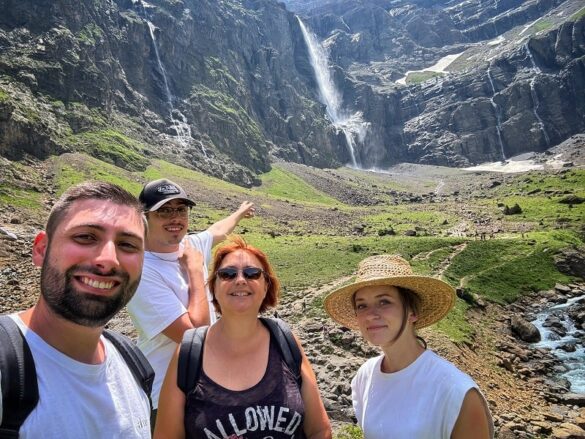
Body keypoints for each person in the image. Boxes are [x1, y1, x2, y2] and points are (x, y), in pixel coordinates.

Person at [1, 182, 151, 437]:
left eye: (127, 245)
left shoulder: (135, 365)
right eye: (86, 237)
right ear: (41, 249)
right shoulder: (6, 371)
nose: (108, 259)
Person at [154, 236, 332, 439]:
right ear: (214, 288)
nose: (240, 280)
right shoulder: (189, 352)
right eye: (228, 274)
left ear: (266, 286)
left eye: (252, 273)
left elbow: (320, 430)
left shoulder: (285, 342)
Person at [324, 254, 494, 439]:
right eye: (362, 305)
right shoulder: (364, 377)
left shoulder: (455, 391)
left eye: (384, 302)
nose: (370, 315)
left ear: (412, 312)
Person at [127, 178, 255, 418]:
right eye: (164, 211)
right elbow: (193, 335)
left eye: (181, 209)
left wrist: (238, 213)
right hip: (166, 398)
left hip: (205, 388)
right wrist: (195, 271)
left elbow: (217, 231)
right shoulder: (142, 272)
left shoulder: (190, 244)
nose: (175, 218)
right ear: (143, 217)